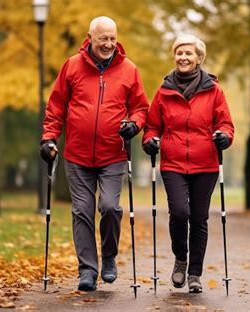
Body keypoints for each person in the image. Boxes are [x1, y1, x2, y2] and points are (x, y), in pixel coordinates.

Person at [40, 16, 149, 291]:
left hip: (113, 154)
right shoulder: (72, 67)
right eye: (103, 39)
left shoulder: (129, 70)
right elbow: (56, 107)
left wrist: (134, 125)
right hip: (77, 156)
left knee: (110, 208)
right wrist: (49, 138)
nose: (109, 44)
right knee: (82, 212)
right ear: (90, 38)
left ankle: (109, 257)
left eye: (113, 38)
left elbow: (140, 108)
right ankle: (88, 270)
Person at [142, 34, 234, 293]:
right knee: (180, 213)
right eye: (179, 53)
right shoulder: (164, 91)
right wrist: (150, 140)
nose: (183, 57)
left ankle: (195, 273)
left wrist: (224, 136)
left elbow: (225, 123)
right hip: (173, 164)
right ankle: (180, 259)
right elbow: (151, 125)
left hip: (205, 164)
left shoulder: (214, 91)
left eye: (188, 53)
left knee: (199, 218)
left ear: (199, 59)